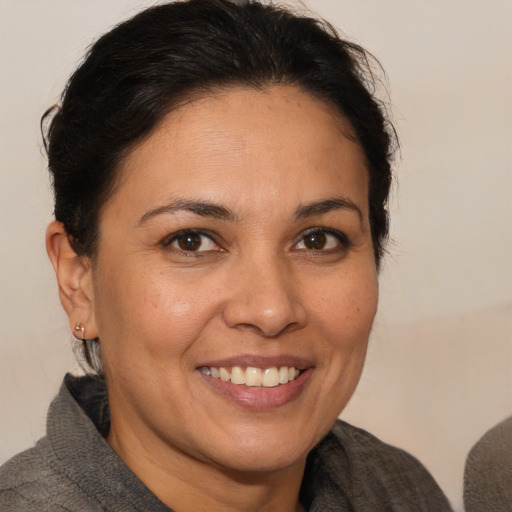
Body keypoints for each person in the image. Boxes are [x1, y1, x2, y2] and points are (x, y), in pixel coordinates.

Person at [0, 1, 453, 510]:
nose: (271, 309)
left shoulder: (394, 489)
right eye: (191, 241)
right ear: (78, 281)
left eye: (318, 239)